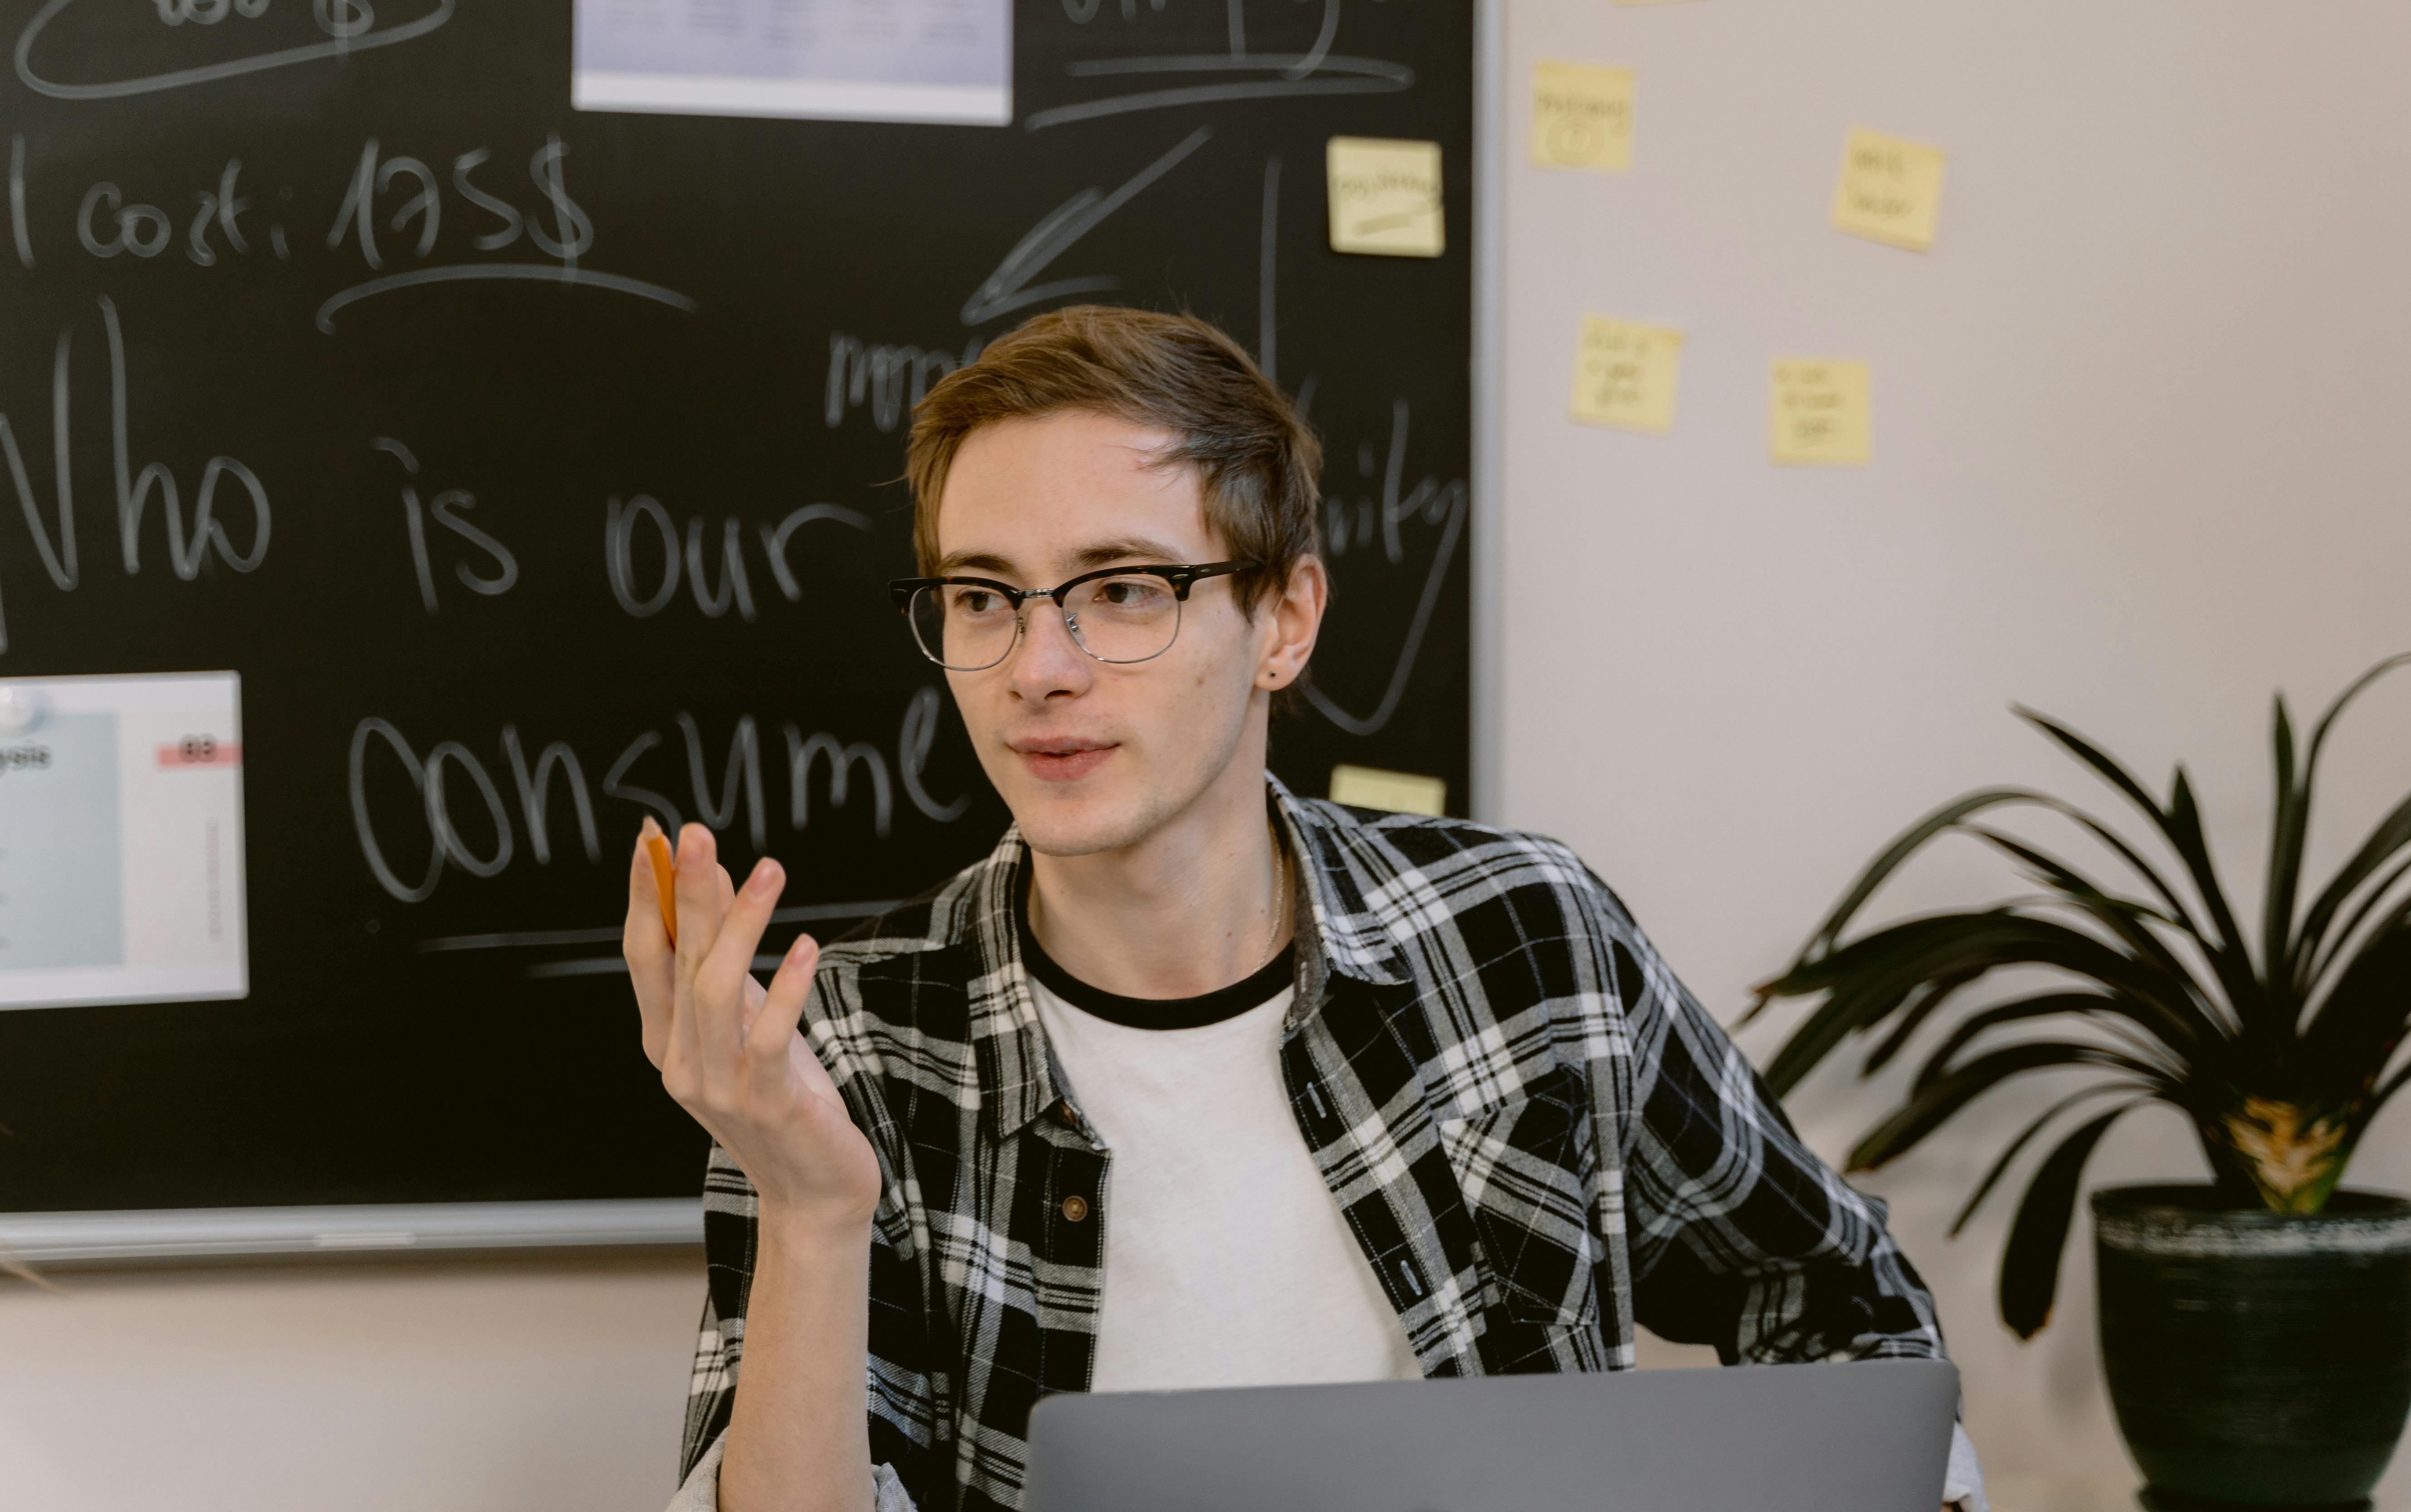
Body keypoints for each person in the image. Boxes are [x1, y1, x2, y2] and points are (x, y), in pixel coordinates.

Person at [624, 305, 1987, 1512]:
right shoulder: (841, 1046)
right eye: (985, 597)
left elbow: (1847, 1313)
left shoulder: (1527, 939)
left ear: (1285, 620)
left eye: (1123, 590)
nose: (1041, 666)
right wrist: (808, 1205)